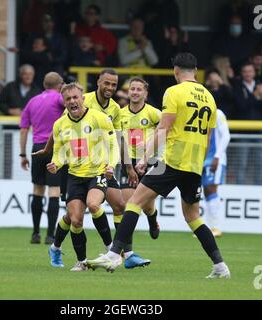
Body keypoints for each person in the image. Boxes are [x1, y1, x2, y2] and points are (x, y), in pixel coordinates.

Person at [86, 53, 231, 279]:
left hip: (174, 160)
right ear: (195, 69)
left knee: (134, 202)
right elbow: (209, 135)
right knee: (193, 217)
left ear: (175, 70)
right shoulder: (209, 97)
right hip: (194, 164)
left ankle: (114, 254)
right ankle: (220, 266)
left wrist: (144, 157)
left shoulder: (174, 92)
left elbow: (164, 127)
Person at [47, 82, 119, 271]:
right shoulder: (59, 125)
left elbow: (113, 146)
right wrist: (56, 163)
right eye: (68, 99)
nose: (72, 101)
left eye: (75, 97)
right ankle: (82, 261)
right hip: (74, 176)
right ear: (64, 102)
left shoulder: (99, 118)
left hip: (97, 172)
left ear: (83, 98)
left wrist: (111, 165)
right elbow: (59, 152)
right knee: (76, 219)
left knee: (94, 204)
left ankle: (111, 249)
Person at [20, 72, 64, 245]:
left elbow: (24, 130)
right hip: (55, 148)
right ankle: (50, 235)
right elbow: (72, 107)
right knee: (54, 190)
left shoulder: (32, 101)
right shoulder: (59, 99)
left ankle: (35, 233)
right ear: (59, 85)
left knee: (37, 190)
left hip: (37, 148)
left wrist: (23, 154)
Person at [119, 77, 161, 243]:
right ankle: (125, 248)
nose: (135, 92)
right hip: (128, 162)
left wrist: (150, 144)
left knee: (147, 207)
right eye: (132, 89)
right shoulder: (121, 114)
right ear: (128, 92)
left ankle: (152, 219)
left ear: (145, 93)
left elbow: (167, 129)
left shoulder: (153, 113)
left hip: (148, 162)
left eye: (139, 89)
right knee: (129, 205)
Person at [201, 108, 230, 238]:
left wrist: (217, 156)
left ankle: (217, 227)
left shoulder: (217, 113)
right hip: (200, 159)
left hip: (214, 159)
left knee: (211, 189)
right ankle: (209, 227)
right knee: (206, 191)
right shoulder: (197, 112)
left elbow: (226, 135)